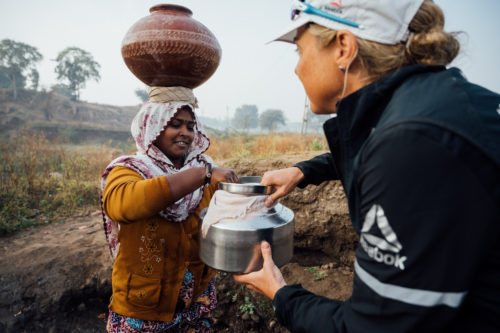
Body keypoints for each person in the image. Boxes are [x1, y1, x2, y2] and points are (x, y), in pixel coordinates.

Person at [234, 0, 500, 332]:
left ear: (343, 48)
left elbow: (376, 326)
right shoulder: (434, 106)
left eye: (299, 51)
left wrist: (281, 294)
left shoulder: (411, 143)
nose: (297, 68)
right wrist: (304, 171)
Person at [101, 87, 239, 332]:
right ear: (154, 126)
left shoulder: (205, 169)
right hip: (144, 308)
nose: (184, 133)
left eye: (190, 126)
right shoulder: (130, 170)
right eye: (175, 124)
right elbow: (123, 205)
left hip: (197, 303)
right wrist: (201, 176)